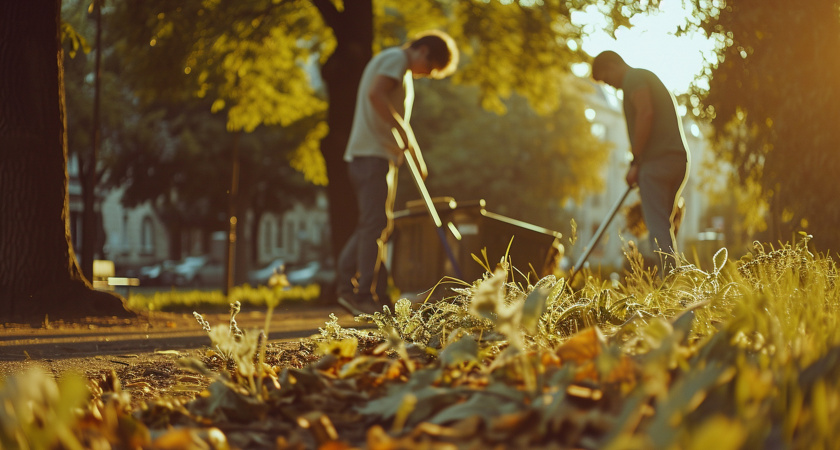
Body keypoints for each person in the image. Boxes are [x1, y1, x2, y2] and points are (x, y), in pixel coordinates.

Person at [337, 31, 459, 315]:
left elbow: (397, 119)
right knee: (375, 224)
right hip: (371, 156)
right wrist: (402, 132)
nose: (426, 75)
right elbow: (376, 95)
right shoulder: (395, 59)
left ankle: (348, 287)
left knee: (376, 224)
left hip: (377, 156)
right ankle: (361, 295)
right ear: (424, 52)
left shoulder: (397, 66)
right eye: (430, 69)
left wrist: (415, 154)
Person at [591, 50, 690, 276]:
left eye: (606, 78)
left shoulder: (633, 79)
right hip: (677, 160)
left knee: (658, 230)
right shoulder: (644, 76)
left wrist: (636, 161)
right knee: (665, 227)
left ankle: (670, 288)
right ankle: (674, 282)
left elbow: (646, 113)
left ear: (612, 65)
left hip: (656, 163)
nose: (610, 85)